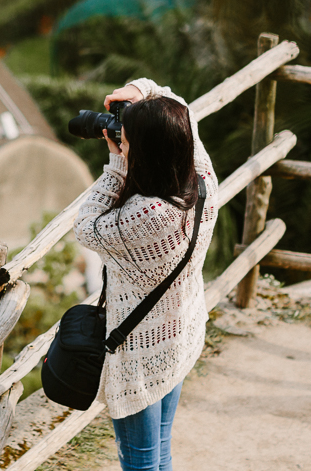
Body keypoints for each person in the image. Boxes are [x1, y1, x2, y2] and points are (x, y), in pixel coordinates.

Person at [73, 78, 219, 471]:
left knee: (140, 462)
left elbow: (85, 226)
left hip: (139, 354)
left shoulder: (147, 215)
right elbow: (180, 106)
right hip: (179, 334)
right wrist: (140, 91)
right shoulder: (201, 179)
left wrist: (117, 166)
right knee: (161, 451)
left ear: (146, 150)